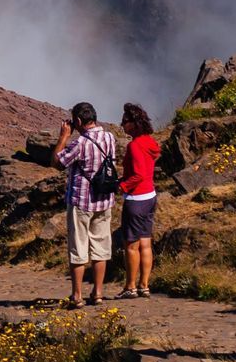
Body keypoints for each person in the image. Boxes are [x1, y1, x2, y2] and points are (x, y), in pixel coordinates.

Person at [53, 101, 118, 307]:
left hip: (81, 200)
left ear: (79, 121)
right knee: (100, 246)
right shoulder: (109, 137)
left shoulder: (80, 143)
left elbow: (57, 162)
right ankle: (98, 293)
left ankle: (77, 295)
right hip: (104, 199)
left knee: (79, 247)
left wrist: (64, 136)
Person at [118, 102, 161, 298]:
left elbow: (138, 174)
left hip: (136, 199)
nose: (122, 124)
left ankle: (130, 287)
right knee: (145, 243)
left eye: (125, 121)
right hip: (150, 196)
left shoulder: (134, 146)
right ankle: (144, 285)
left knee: (131, 245)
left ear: (134, 123)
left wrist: (122, 186)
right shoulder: (149, 142)